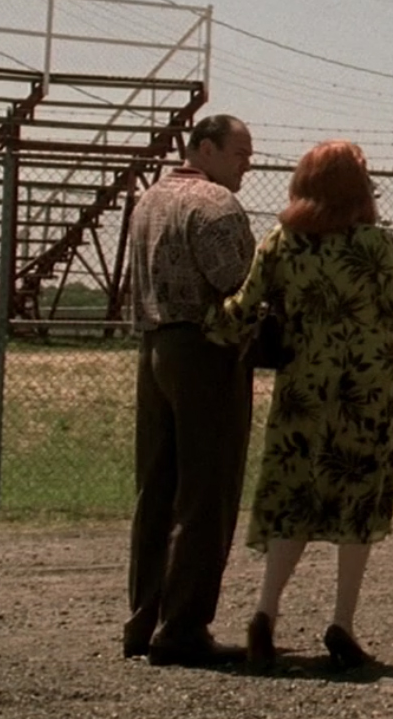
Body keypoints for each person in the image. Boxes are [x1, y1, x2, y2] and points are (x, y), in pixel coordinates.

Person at [207, 139, 393, 671]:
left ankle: (265, 612)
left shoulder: (282, 242)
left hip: (303, 384)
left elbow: (242, 308)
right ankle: (342, 623)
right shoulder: (375, 244)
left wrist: (201, 326)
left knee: (294, 495)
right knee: (357, 499)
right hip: (364, 388)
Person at [123, 114, 258, 666]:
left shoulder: (148, 201)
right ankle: (183, 627)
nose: (246, 164)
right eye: (239, 153)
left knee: (157, 488)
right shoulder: (216, 205)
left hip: (155, 347)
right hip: (206, 352)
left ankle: (144, 617)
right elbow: (241, 286)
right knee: (207, 492)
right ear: (204, 148)